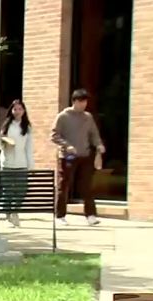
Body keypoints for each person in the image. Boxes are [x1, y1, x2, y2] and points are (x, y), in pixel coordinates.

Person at [51, 88, 105, 226]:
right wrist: (66, 145)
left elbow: (94, 134)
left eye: (85, 101)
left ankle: (91, 215)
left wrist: (99, 145)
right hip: (67, 156)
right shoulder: (63, 116)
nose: (84, 104)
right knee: (64, 185)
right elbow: (54, 135)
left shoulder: (88, 117)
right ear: (74, 101)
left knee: (87, 186)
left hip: (85, 155)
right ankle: (60, 215)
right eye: (81, 101)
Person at [0, 99, 34, 228]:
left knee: (21, 191)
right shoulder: (6, 125)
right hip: (7, 163)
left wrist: (30, 165)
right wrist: (4, 141)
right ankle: (8, 214)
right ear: (11, 111)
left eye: (20, 109)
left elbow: (29, 147)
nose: (17, 112)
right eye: (15, 109)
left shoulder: (27, 128)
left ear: (24, 111)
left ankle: (15, 211)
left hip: (22, 163)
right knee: (7, 192)